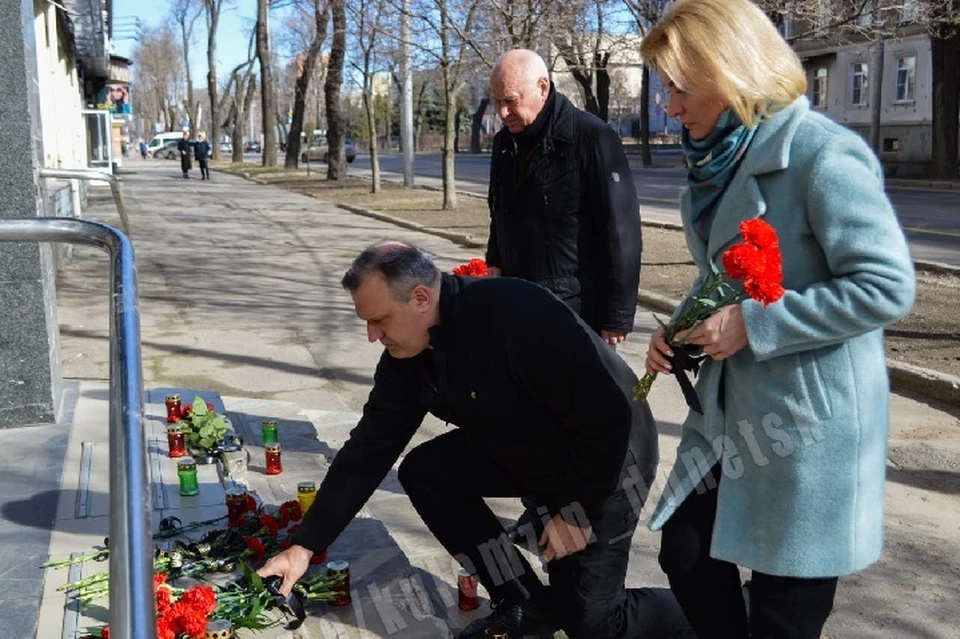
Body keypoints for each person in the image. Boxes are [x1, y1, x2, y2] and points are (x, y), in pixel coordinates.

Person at [639, 1, 916, 637]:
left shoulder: (822, 154)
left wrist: (755, 327)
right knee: (685, 550)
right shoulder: (709, 172)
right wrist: (677, 329)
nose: (671, 108)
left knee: (782, 612)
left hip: (807, 427)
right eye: (666, 90)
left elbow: (887, 287)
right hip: (734, 417)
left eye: (680, 88)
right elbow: (726, 280)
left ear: (729, 71)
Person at [258, 241, 692, 639]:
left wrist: (576, 513)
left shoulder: (516, 314)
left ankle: (721, 607)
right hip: (525, 451)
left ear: (421, 298)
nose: (373, 336)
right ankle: (522, 599)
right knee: (427, 473)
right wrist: (305, 545)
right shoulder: (406, 355)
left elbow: (608, 415)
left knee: (594, 624)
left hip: (608, 461)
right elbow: (369, 447)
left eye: (379, 320)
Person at [486, 49, 641, 348]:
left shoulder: (592, 138)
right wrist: (494, 259)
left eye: (510, 101)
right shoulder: (504, 144)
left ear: (542, 88)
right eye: (497, 102)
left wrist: (618, 315)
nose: (503, 113)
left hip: (575, 310)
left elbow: (621, 231)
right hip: (516, 299)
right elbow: (499, 210)